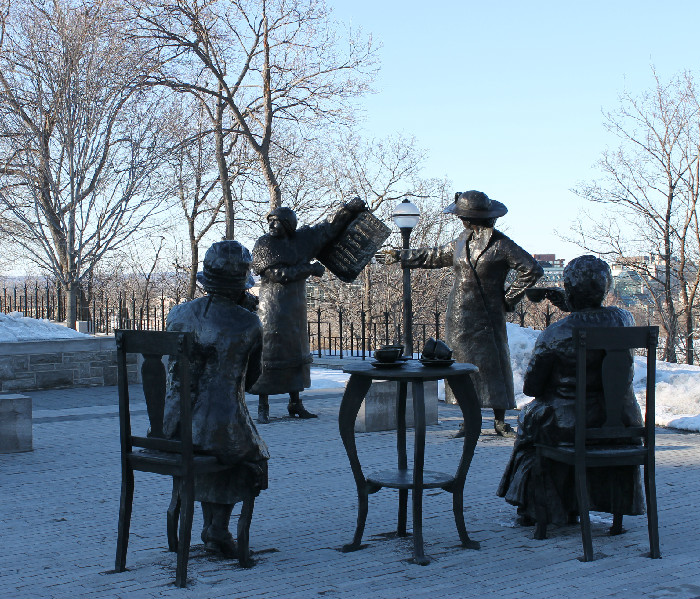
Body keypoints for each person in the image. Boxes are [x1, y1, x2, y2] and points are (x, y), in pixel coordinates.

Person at [497, 255, 645, 528]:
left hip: (571, 425)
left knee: (531, 421)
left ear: (569, 287)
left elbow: (532, 387)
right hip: (623, 424)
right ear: (607, 287)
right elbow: (595, 315)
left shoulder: (556, 333)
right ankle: (591, 504)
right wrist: (566, 299)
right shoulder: (625, 319)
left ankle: (540, 508)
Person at [382, 190, 543, 436]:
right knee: (462, 367)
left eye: (462, 216)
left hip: (488, 316)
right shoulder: (461, 240)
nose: (459, 220)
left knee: (494, 366)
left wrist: (506, 300)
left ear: (471, 218)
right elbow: (433, 255)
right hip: (459, 314)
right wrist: (401, 255)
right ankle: (469, 420)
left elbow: (531, 270)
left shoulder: (501, 244)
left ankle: (500, 421)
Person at [162, 240, 269, 557]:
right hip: (216, 430)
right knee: (249, 455)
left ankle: (213, 529)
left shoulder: (178, 313)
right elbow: (251, 382)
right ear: (240, 284)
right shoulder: (249, 322)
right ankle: (218, 529)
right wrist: (247, 319)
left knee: (217, 440)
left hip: (171, 428)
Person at [252, 198, 367, 423]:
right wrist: (310, 268)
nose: (272, 227)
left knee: (296, 351)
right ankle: (262, 406)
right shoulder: (265, 244)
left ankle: (295, 402)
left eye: (277, 223)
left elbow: (328, 228)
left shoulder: (301, 240)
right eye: (271, 222)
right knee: (269, 354)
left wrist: (348, 209)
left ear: (288, 225)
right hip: (271, 307)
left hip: (295, 307)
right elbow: (277, 274)